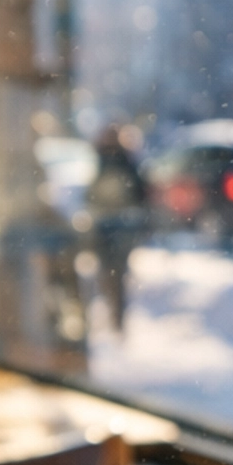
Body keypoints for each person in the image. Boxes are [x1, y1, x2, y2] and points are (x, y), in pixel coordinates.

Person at [87, 124, 148, 333]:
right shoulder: (119, 160)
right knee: (113, 273)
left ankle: (116, 317)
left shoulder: (109, 161)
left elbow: (93, 194)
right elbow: (139, 192)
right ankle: (115, 317)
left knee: (111, 273)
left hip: (113, 227)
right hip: (116, 226)